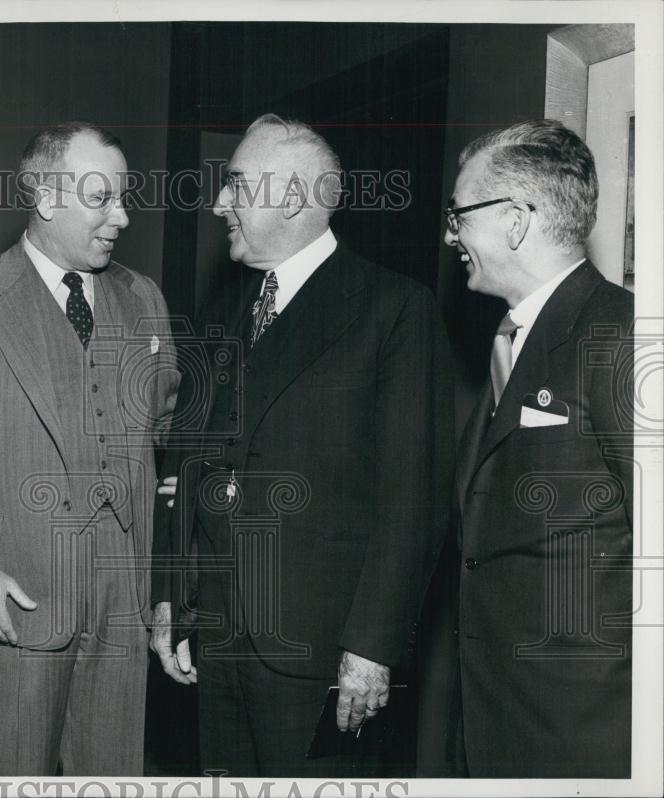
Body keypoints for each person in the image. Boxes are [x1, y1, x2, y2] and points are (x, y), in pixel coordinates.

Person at [150, 113, 452, 776]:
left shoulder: (393, 309)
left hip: (321, 655)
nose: (217, 203)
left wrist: (372, 648)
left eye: (235, 186)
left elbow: (413, 497)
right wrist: (172, 596)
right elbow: (186, 462)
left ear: (290, 198)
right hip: (219, 640)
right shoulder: (223, 310)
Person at [0, 123, 178, 776]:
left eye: (124, 197)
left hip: (122, 600)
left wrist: (161, 586)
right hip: (15, 598)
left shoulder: (143, 299)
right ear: (47, 197)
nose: (123, 215)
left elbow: (163, 434)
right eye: (102, 198)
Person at [429, 119, 633, 778]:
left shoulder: (621, 336)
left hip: (583, 736)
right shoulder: (511, 342)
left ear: (515, 221)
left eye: (458, 216)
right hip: (498, 725)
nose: (448, 235)